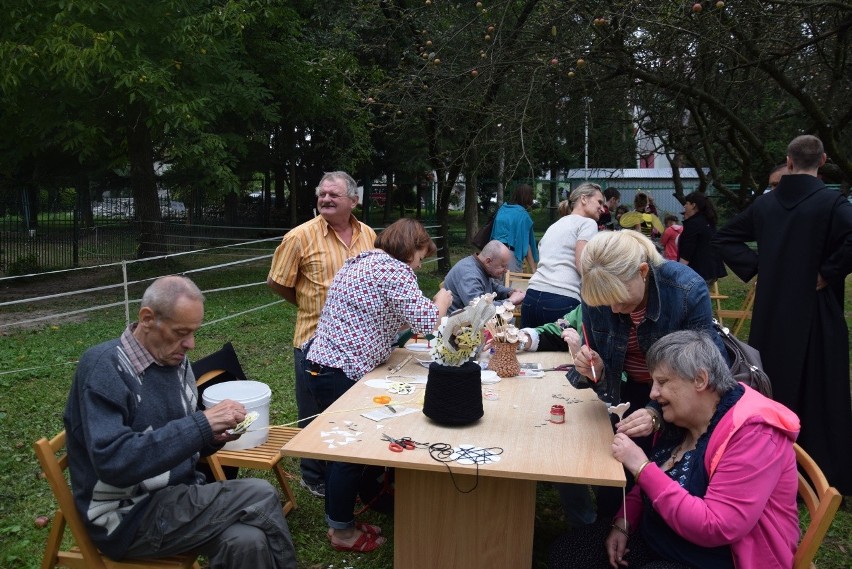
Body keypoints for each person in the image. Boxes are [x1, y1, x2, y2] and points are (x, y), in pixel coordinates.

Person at [64, 276, 297, 568]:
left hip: (178, 496)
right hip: (127, 517)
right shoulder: (104, 369)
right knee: (259, 493)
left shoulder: (174, 361)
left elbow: (177, 442)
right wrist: (200, 426)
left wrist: (212, 437)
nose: (190, 343)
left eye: (194, 332)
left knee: (246, 541)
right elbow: (113, 462)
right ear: (147, 319)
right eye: (181, 332)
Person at [550, 330, 800, 569]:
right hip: (660, 540)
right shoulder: (683, 418)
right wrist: (623, 524)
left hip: (713, 559)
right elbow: (654, 482)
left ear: (700, 380)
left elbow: (717, 526)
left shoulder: (753, 433)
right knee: (568, 553)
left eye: (662, 382)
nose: (653, 393)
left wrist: (641, 467)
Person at [303, 218, 453, 553]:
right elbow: (429, 322)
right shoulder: (393, 270)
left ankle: (356, 510)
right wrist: (442, 297)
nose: (419, 263)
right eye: (420, 255)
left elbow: (382, 313)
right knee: (348, 452)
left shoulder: (363, 261)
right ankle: (341, 533)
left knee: (355, 447)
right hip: (338, 368)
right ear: (409, 247)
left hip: (325, 364)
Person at [713, 134, 852, 495]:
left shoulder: (766, 206)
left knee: (773, 383)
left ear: (788, 162)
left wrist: (761, 265)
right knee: (819, 386)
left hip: (773, 312)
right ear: (822, 162)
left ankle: (767, 468)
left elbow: (725, 236)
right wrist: (829, 270)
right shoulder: (832, 203)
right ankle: (821, 474)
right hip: (816, 310)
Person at [562, 230, 727, 521]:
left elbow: (707, 374)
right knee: (614, 480)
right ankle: (612, 529)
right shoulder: (598, 294)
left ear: (642, 272)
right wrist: (594, 371)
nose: (613, 309)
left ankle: (647, 535)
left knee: (666, 474)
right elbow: (602, 375)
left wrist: (656, 413)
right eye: (604, 303)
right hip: (629, 394)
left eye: (621, 302)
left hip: (683, 401)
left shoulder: (686, 290)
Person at [267, 171, 376, 498]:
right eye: (322, 194)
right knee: (314, 412)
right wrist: (307, 302)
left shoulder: (369, 234)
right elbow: (277, 282)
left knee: (352, 408)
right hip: (314, 340)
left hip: (359, 342)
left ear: (353, 201)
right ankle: (313, 476)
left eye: (334, 195)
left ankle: (352, 465)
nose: (325, 199)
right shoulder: (299, 237)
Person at [521, 183, 604, 328]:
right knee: (566, 350)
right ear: (583, 199)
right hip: (561, 300)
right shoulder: (588, 223)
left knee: (528, 346)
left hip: (531, 298)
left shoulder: (555, 225)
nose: (602, 208)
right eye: (599, 202)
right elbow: (582, 265)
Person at [443, 240, 525, 311]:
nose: (506, 270)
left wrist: (509, 293)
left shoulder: (481, 267)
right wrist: (510, 301)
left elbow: (492, 287)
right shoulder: (469, 275)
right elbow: (480, 309)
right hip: (459, 326)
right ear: (488, 261)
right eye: (503, 266)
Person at [678, 192, 727, 287]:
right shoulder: (708, 221)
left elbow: (687, 250)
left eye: (687, 203)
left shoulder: (693, 224)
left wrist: (680, 272)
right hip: (711, 270)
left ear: (693, 205)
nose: (684, 206)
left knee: (690, 300)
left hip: (698, 272)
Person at [490, 183, 539, 272]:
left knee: (494, 284)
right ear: (527, 197)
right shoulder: (523, 215)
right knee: (511, 284)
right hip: (510, 256)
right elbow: (526, 244)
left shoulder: (502, 209)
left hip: (494, 252)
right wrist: (533, 268)